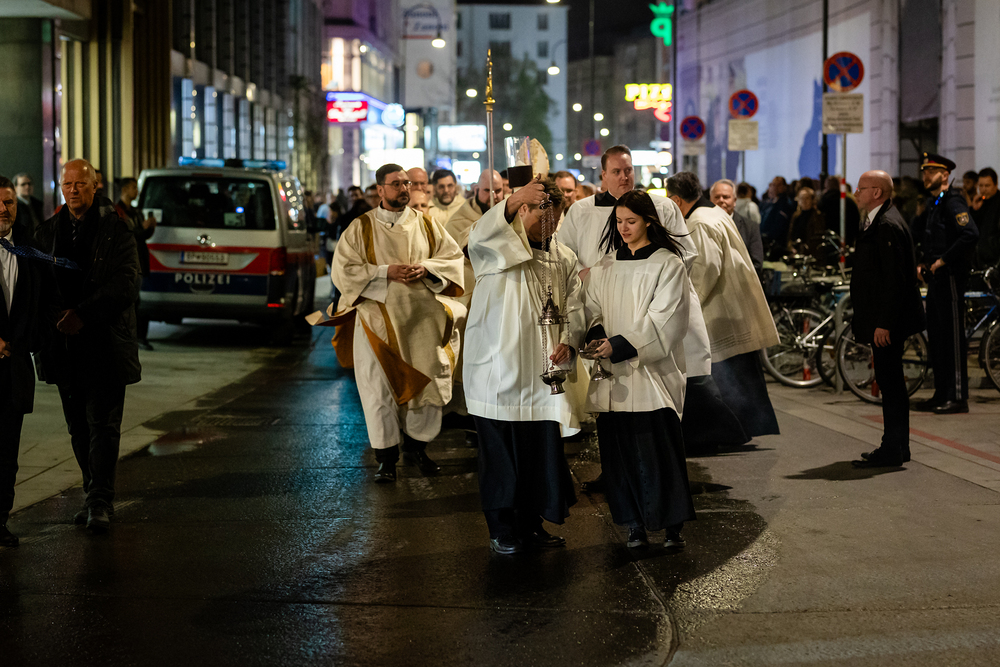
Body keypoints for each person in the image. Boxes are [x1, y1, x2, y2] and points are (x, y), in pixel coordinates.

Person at [561, 146, 739, 463]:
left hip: (654, 310)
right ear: (603, 175)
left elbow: (685, 253)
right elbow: (566, 257)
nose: (624, 176)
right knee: (617, 412)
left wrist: (647, 279)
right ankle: (619, 473)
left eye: (628, 170)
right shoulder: (581, 212)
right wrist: (588, 278)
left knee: (659, 411)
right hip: (608, 311)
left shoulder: (661, 210)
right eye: (616, 171)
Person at [464, 176, 582, 555]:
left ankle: (532, 524)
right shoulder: (496, 245)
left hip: (542, 374)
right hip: (496, 370)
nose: (549, 226)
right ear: (523, 209)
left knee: (538, 455)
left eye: (555, 218)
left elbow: (577, 305)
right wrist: (513, 199)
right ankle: (501, 528)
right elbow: (477, 236)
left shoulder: (563, 257)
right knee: (502, 457)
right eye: (541, 216)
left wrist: (571, 340)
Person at [329, 163, 466, 483]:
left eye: (407, 183)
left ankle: (418, 448)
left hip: (420, 321)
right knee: (378, 390)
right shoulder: (361, 227)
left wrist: (427, 269)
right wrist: (385, 272)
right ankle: (386, 460)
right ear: (380, 190)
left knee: (425, 384)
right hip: (375, 322)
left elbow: (452, 258)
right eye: (396, 184)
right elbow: (343, 270)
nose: (404, 189)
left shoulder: (426, 224)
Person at [33, 159, 141, 532]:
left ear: (96, 186)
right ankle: (92, 493)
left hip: (105, 344)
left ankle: (99, 501)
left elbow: (126, 284)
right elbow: (38, 289)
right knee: (78, 427)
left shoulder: (116, 230)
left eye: (80, 184)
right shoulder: (47, 232)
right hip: (64, 348)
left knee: (104, 426)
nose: (73, 190)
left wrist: (83, 314)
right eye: (67, 184)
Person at [583, 190, 695, 549]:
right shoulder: (606, 265)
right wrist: (597, 336)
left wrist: (620, 345)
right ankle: (633, 524)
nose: (623, 227)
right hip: (613, 376)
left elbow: (667, 318)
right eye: (618, 221)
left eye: (631, 221)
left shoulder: (667, 264)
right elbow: (592, 309)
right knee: (619, 457)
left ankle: (672, 526)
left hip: (651, 375)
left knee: (657, 453)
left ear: (648, 221)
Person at [666, 171, 780, 438]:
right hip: (733, 306)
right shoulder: (714, 213)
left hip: (720, 310)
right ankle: (746, 429)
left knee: (727, 380)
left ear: (676, 200)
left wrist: (687, 303)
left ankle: (731, 433)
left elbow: (704, 270)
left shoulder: (699, 222)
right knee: (741, 376)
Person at [849, 171, 926, 468]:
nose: (856, 192)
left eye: (861, 188)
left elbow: (895, 280)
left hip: (888, 322)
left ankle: (892, 449)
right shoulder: (879, 219)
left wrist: (884, 323)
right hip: (885, 318)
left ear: (877, 192)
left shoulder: (886, 225)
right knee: (891, 382)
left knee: (890, 383)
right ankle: (898, 446)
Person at [0, 176, 61, 547]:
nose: (2, 209)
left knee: (8, 452)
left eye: (8, 202)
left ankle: (0, 520)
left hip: (15, 369)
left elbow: (47, 301)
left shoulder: (29, 245)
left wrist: (29, 342)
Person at [910, 153, 980, 414]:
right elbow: (926, 237)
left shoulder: (953, 202)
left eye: (931, 171)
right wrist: (923, 263)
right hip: (936, 278)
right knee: (938, 338)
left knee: (952, 338)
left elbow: (970, 234)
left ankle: (957, 397)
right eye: (924, 172)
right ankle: (941, 394)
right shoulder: (935, 203)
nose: (926, 176)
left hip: (950, 276)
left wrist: (942, 261)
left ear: (945, 175)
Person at [114, 177, 156, 350]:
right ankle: (133, 336)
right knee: (132, 300)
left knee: (139, 300)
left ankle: (139, 336)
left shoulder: (136, 211)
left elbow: (141, 236)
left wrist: (150, 228)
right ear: (124, 189)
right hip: (128, 260)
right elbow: (126, 234)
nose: (136, 192)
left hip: (139, 258)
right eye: (133, 188)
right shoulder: (118, 211)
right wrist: (143, 228)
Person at [711, 179, 763, 275]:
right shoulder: (702, 224)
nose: (721, 200)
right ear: (710, 200)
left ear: (734, 201)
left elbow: (756, 264)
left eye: (726, 197)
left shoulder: (750, 227)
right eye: (717, 197)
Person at [787, 187, 830, 262]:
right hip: (796, 252)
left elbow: (817, 237)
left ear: (812, 200)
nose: (804, 201)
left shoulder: (817, 216)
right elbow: (791, 233)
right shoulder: (796, 216)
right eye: (801, 198)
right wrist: (791, 247)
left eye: (807, 198)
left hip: (811, 254)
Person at [819, 176, 860, 248]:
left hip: (827, 240)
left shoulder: (821, 203)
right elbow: (856, 221)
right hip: (847, 239)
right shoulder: (848, 202)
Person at [971, 167, 1000, 268]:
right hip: (979, 261)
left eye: (987, 185)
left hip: (994, 262)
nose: (983, 189)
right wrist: (974, 210)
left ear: (995, 185)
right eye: (981, 186)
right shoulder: (980, 203)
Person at [760, 176, 796, 249]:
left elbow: (780, 226)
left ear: (784, 187)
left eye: (777, 185)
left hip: (777, 244)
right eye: (772, 185)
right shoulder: (767, 203)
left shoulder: (785, 204)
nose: (774, 188)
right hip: (764, 240)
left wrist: (767, 237)